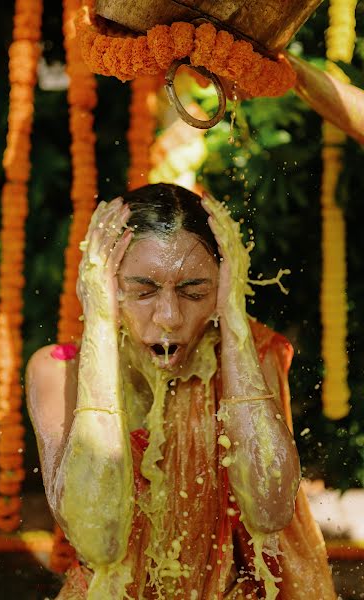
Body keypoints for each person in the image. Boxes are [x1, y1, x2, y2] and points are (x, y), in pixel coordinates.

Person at [26, 183, 336, 600]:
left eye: (195, 292)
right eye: (143, 291)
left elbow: (269, 510)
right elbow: (99, 540)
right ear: (107, 284)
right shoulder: (57, 371)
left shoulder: (250, 356)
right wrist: (99, 320)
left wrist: (234, 320)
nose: (169, 316)